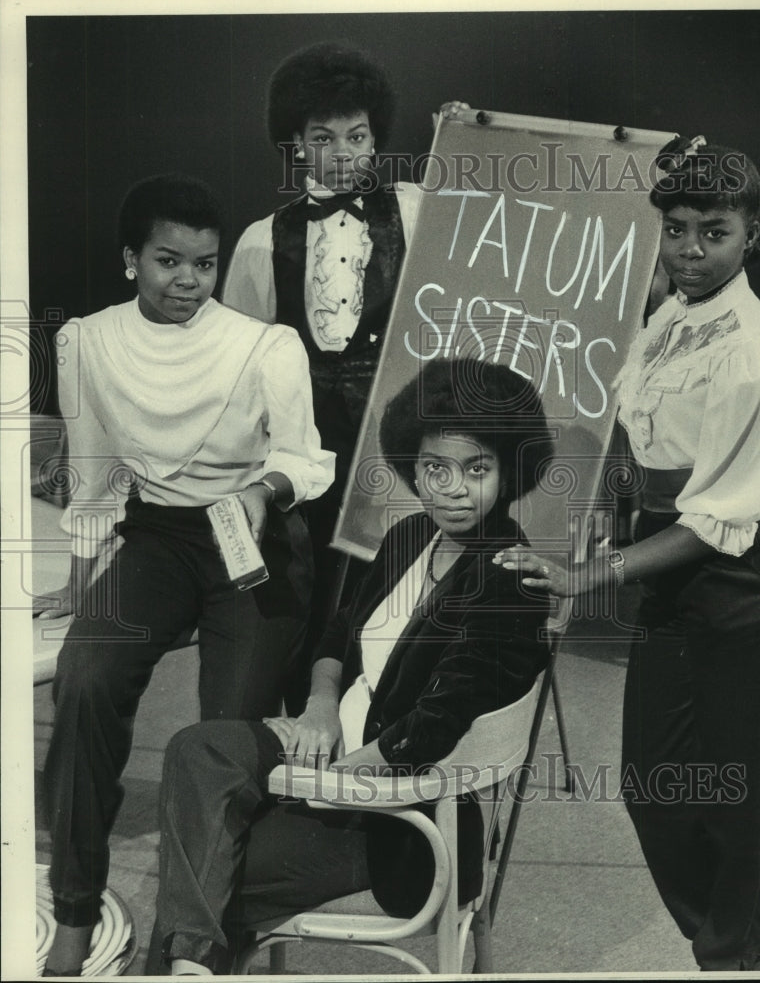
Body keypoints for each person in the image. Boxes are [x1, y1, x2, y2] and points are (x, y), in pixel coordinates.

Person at [495, 142, 760, 972]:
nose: (690, 251)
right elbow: (637, 429)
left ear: (751, 237)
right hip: (671, 570)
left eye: (714, 233)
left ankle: (735, 953)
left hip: (740, 577)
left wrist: (585, 576)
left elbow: (716, 519)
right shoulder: (671, 314)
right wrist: (601, 514)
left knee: (737, 798)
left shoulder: (751, 355)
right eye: (675, 230)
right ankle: (737, 942)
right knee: (653, 785)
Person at [145, 357, 553, 975]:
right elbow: (337, 636)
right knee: (196, 753)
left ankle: (189, 966)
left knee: (197, 873)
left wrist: (319, 783)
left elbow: (430, 732)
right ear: (412, 468)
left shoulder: (509, 581)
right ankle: (194, 964)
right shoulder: (411, 537)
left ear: (509, 471)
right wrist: (319, 707)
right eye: (434, 468)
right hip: (330, 750)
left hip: (395, 810)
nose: (453, 489)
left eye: (477, 469)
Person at [35, 174, 335, 976]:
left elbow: (303, 462)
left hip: (256, 538)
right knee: (85, 675)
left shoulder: (264, 345)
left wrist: (260, 492)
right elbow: (96, 473)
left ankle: (193, 948)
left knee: (219, 742)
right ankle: (72, 909)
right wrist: (81, 581)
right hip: (162, 537)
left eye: (203, 265)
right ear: (131, 260)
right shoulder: (88, 341)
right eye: (168, 262)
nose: (188, 283)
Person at [222, 40, 467, 675]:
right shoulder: (259, 242)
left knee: (388, 587)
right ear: (297, 143)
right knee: (304, 595)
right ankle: (299, 738)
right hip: (305, 443)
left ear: (376, 137)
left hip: (390, 432)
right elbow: (240, 369)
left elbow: (483, 230)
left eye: (357, 136)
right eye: (324, 138)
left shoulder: (414, 206)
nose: (343, 154)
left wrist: (461, 141)